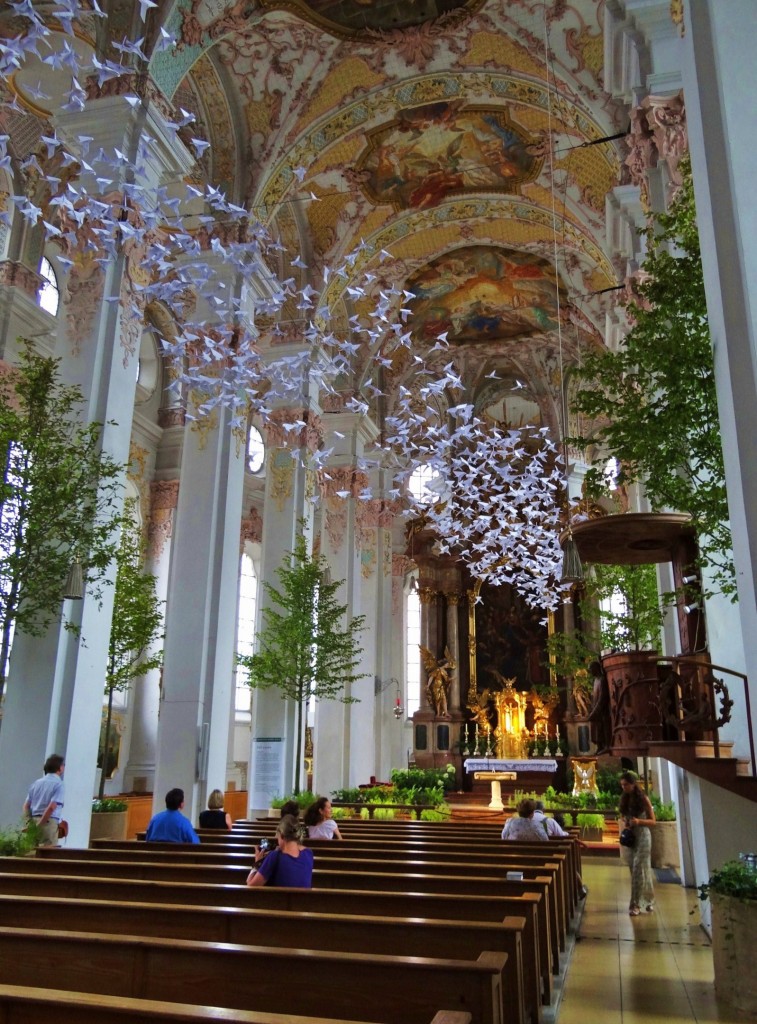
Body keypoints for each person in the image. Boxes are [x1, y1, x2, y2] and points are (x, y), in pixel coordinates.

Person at [618, 770, 656, 915]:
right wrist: (626, 823)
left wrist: (639, 821)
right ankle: (649, 899)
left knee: (638, 867)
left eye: (626, 784)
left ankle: (636, 904)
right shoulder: (624, 799)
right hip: (632, 837)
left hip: (643, 836)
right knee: (640, 870)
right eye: (622, 785)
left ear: (634, 784)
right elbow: (623, 818)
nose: (624, 787)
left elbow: (653, 821)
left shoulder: (644, 799)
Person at [533, 800, 588, 899]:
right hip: (547, 855)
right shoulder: (548, 821)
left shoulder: (521, 821)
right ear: (543, 810)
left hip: (528, 855)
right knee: (567, 866)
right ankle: (579, 889)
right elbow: (563, 835)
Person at [246, 814, 314, 888]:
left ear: (281, 835)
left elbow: (251, 885)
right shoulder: (308, 853)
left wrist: (257, 864)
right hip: (303, 899)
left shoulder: (274, 856)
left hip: (279, 899)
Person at [23, 754, 65, 847]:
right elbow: (52, 807)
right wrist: (40, 824)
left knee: (32, 852)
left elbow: (26, 805)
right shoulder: (58, 784)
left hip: (33, 820)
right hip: (48, 822)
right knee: (48, 855)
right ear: (60, 767)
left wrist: (28, 822)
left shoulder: (36, 783)